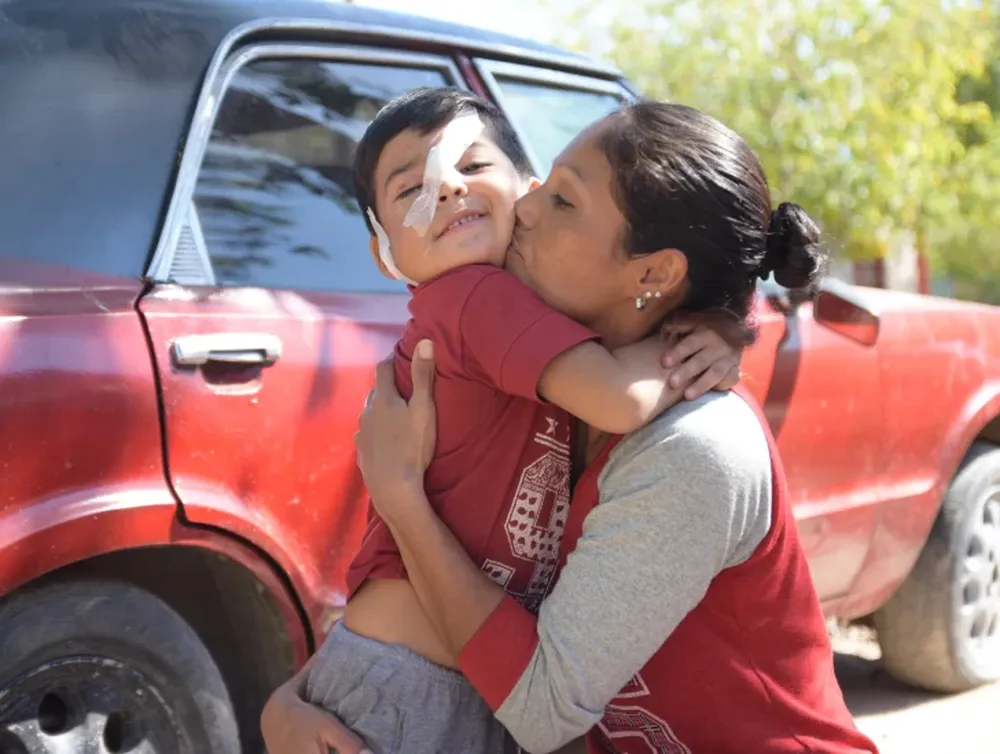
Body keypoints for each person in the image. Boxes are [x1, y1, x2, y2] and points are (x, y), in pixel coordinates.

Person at [264, 100, 881, 753]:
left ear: (654, 274)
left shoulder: (691, 445)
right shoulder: (528, 372)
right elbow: (442, 591)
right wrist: (293, 696)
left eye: (561, 201)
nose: (524, 207)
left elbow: (540, 705)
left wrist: (401, 500)